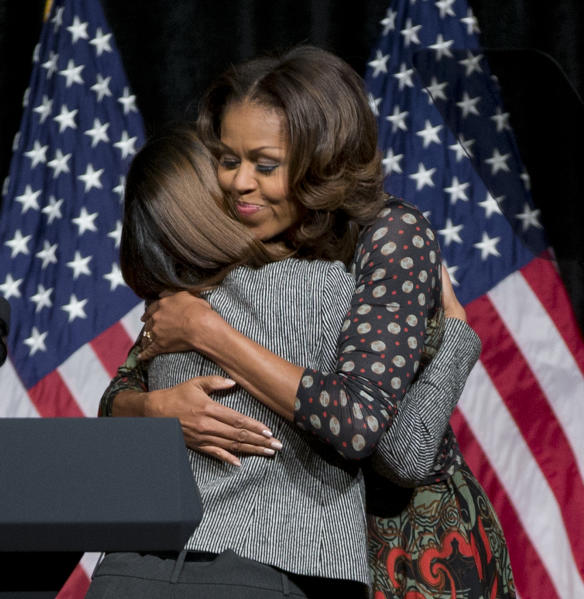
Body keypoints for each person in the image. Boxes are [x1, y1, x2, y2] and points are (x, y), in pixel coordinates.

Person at [94, 46, 515, 598]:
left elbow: (380, 439)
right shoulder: (240, 233)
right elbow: (131, 379)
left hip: (410, 552)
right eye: (227, 158)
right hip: (279, 561)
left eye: (265, 165)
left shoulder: (388, 235)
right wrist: (154, 408)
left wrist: (211, 335)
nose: (238, 182)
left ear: (322, 157)